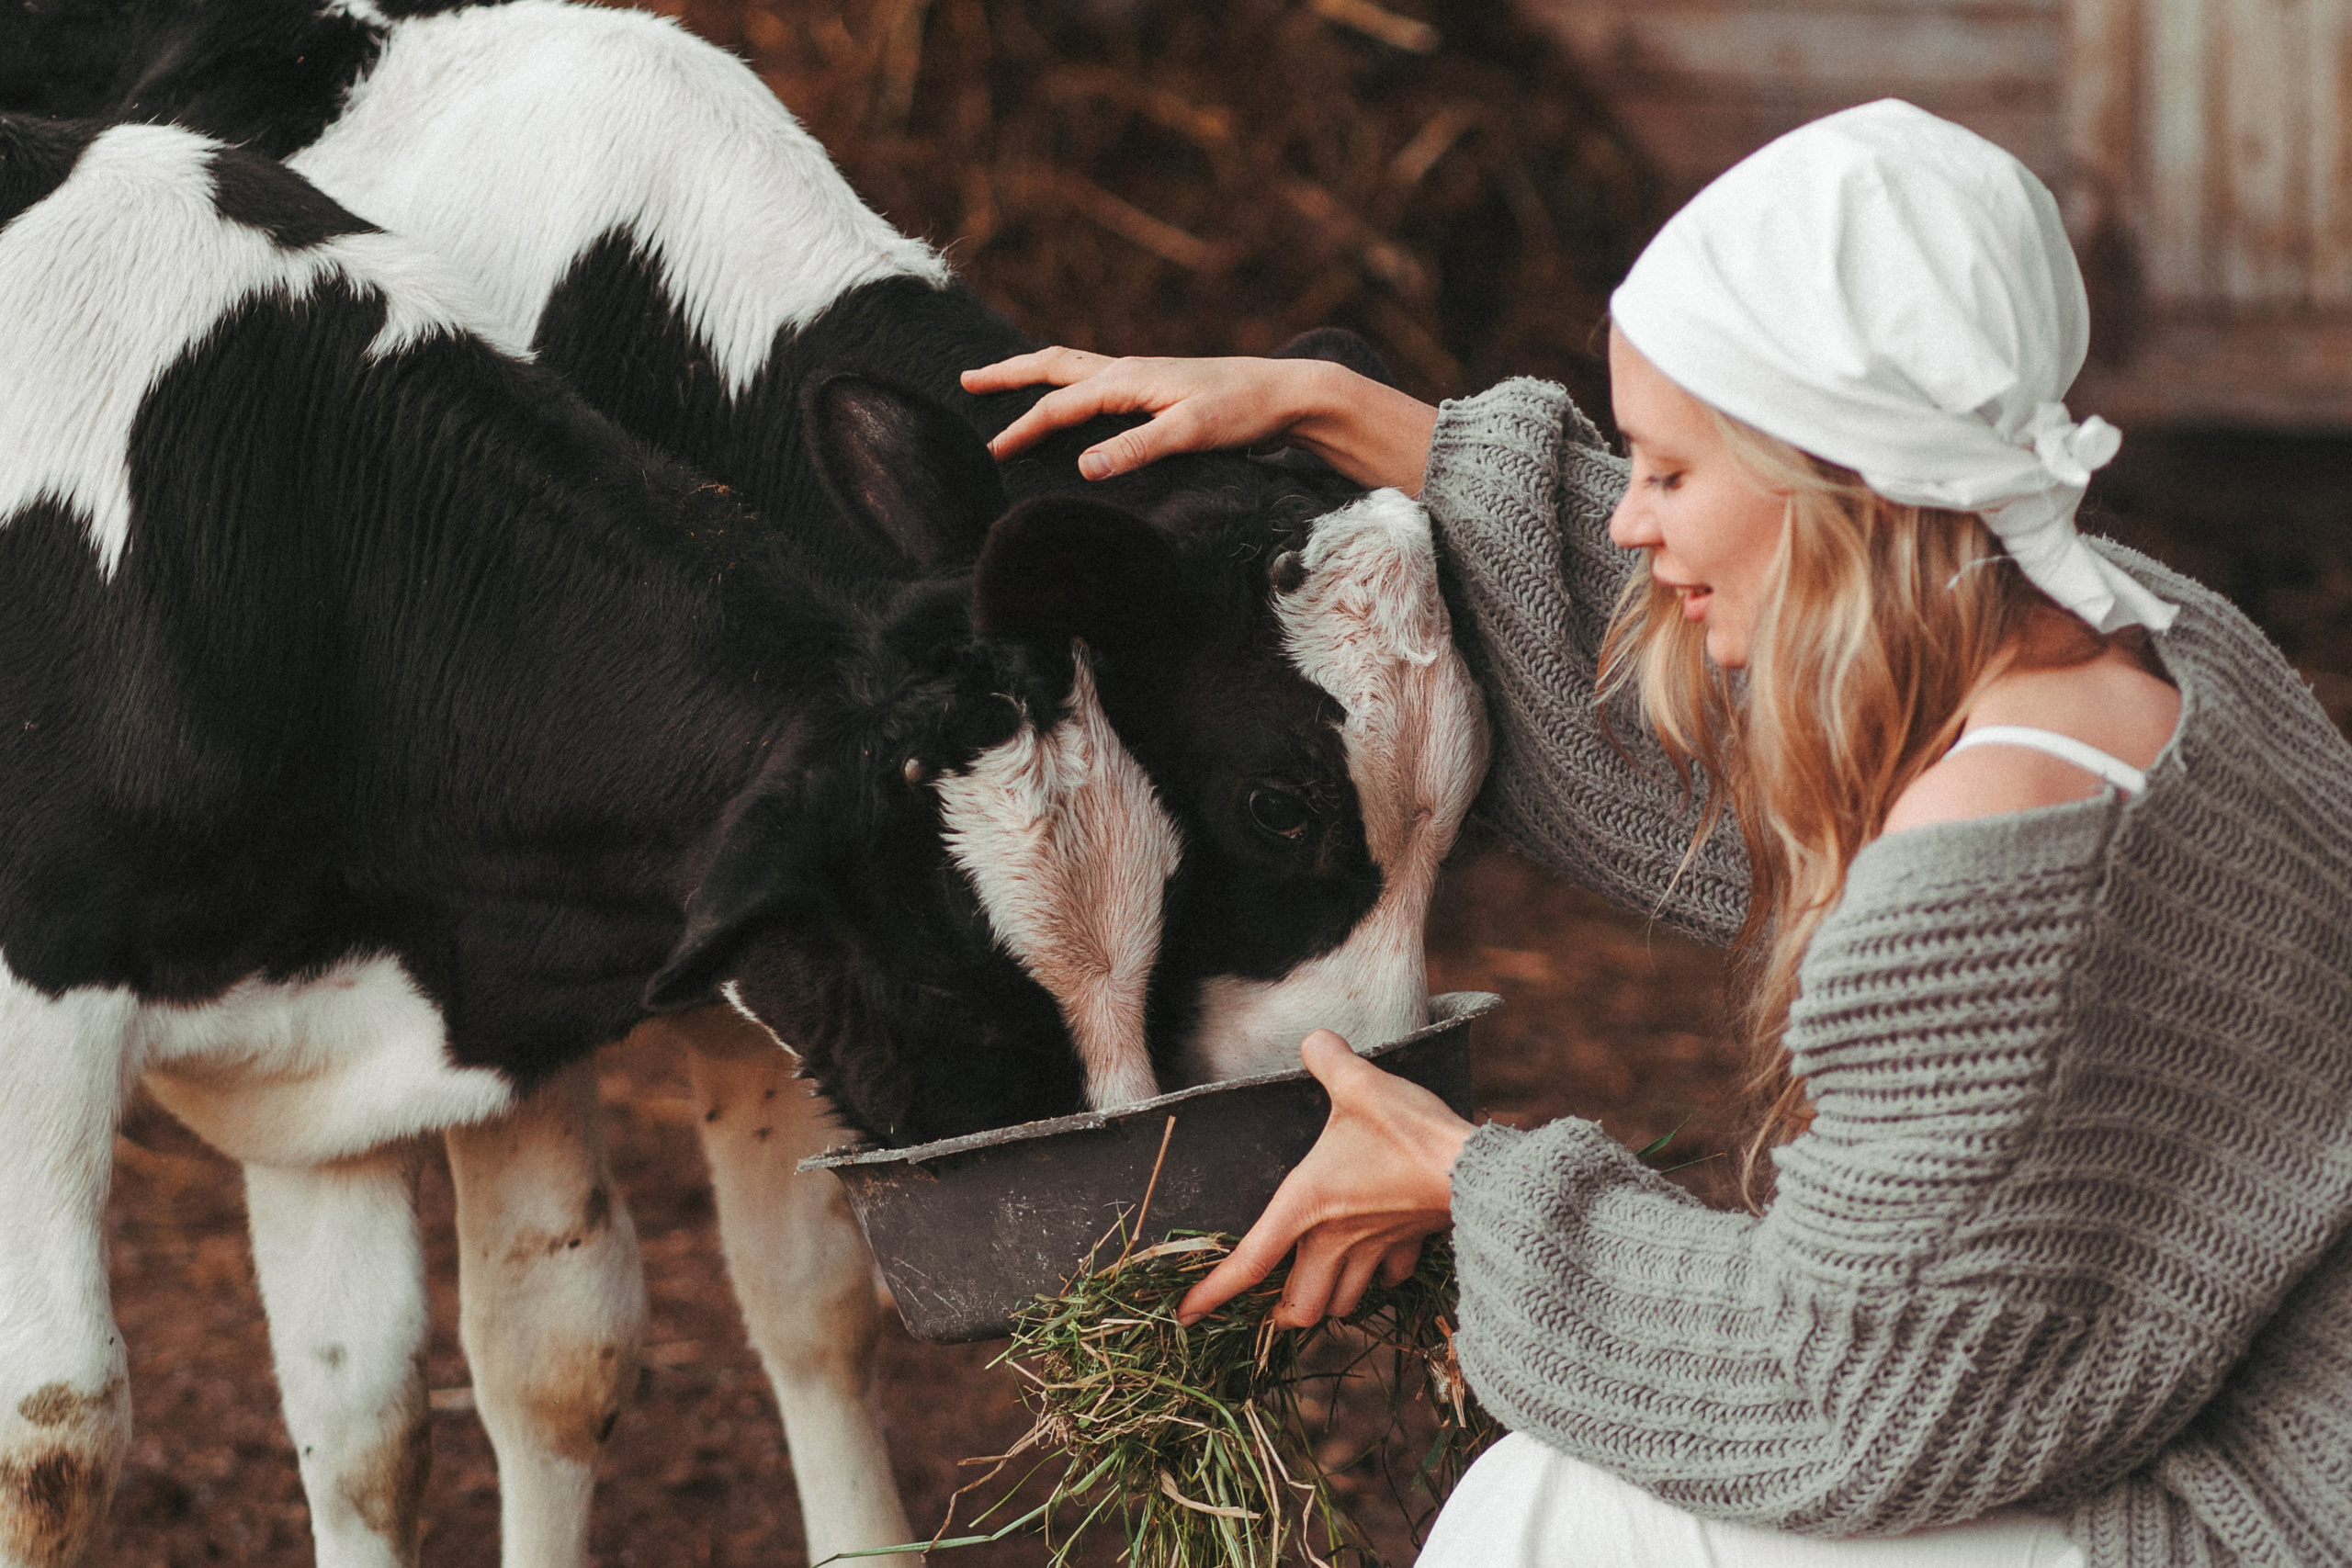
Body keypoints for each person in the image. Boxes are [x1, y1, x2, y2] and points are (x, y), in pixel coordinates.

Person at [962, 101, 2352, 1568]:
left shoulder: (1989, 869)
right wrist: (1340, 410)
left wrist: (1471, 1182)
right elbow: (1762, 706)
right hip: (2288, 1400)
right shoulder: (2168, 645)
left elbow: (1860, 1399)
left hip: (2254, 1504)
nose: (1628, 525)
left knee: (1548, 1514)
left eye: (1672, 473)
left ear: (1849, 475)